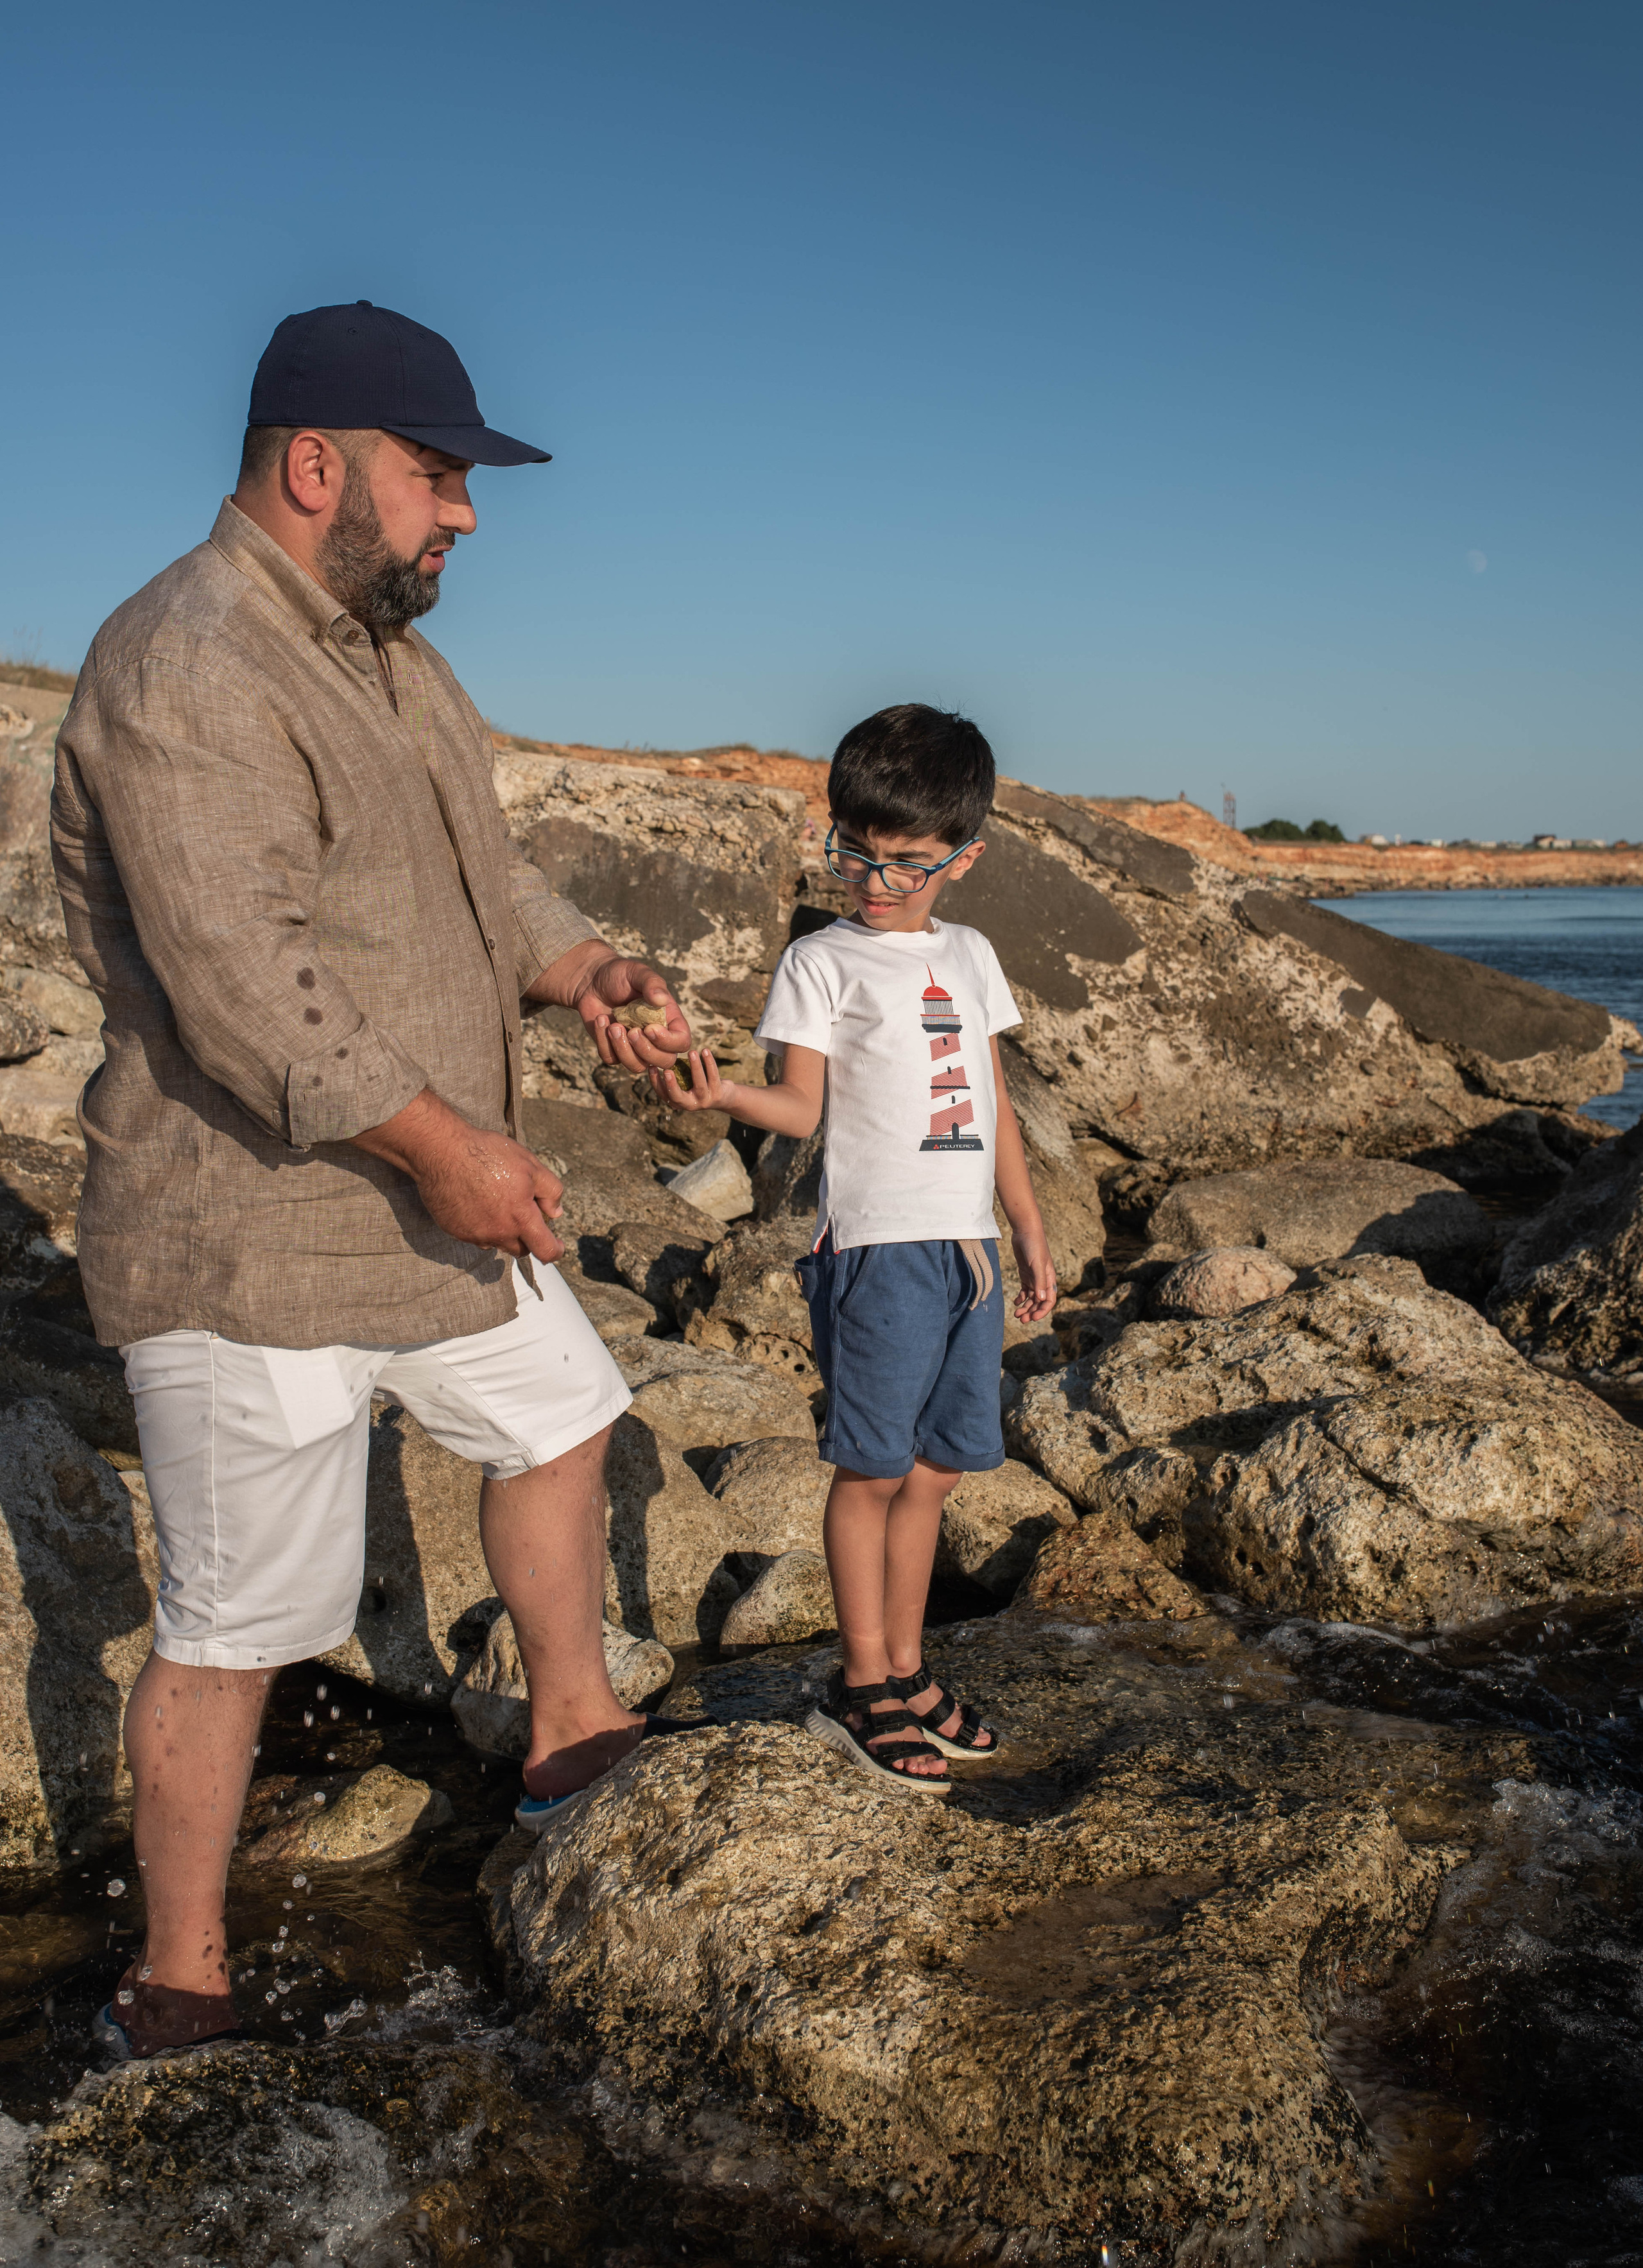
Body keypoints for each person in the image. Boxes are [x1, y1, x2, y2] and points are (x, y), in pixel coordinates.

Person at [51, 301, 704, 2061]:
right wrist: (452, 1145)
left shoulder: (392, 654)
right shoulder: (186, 661)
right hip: (247, 1233)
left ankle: (570, 1719)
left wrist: (590, 975)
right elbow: (242, 983)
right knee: (234, 1621)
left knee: (561, 1412)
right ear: (316, 463)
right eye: (442, 476)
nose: (467, 515)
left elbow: (491, 878)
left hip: (425, 1211)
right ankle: (177, 1967)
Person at [649, 704, 1056, 1791]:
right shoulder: (820, 961)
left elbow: (994, 1102)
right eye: (856, 856)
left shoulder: (971, 956)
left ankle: (913, 1667)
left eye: (907, 865)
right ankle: (860, 1677)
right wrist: (721, 1089)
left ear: (963, 859)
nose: (875, 883)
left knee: (935, 1471)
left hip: (966, 1249)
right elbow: (797, 1106)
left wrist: (1026, 1226)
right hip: (874, 1251)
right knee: (870, 1467)